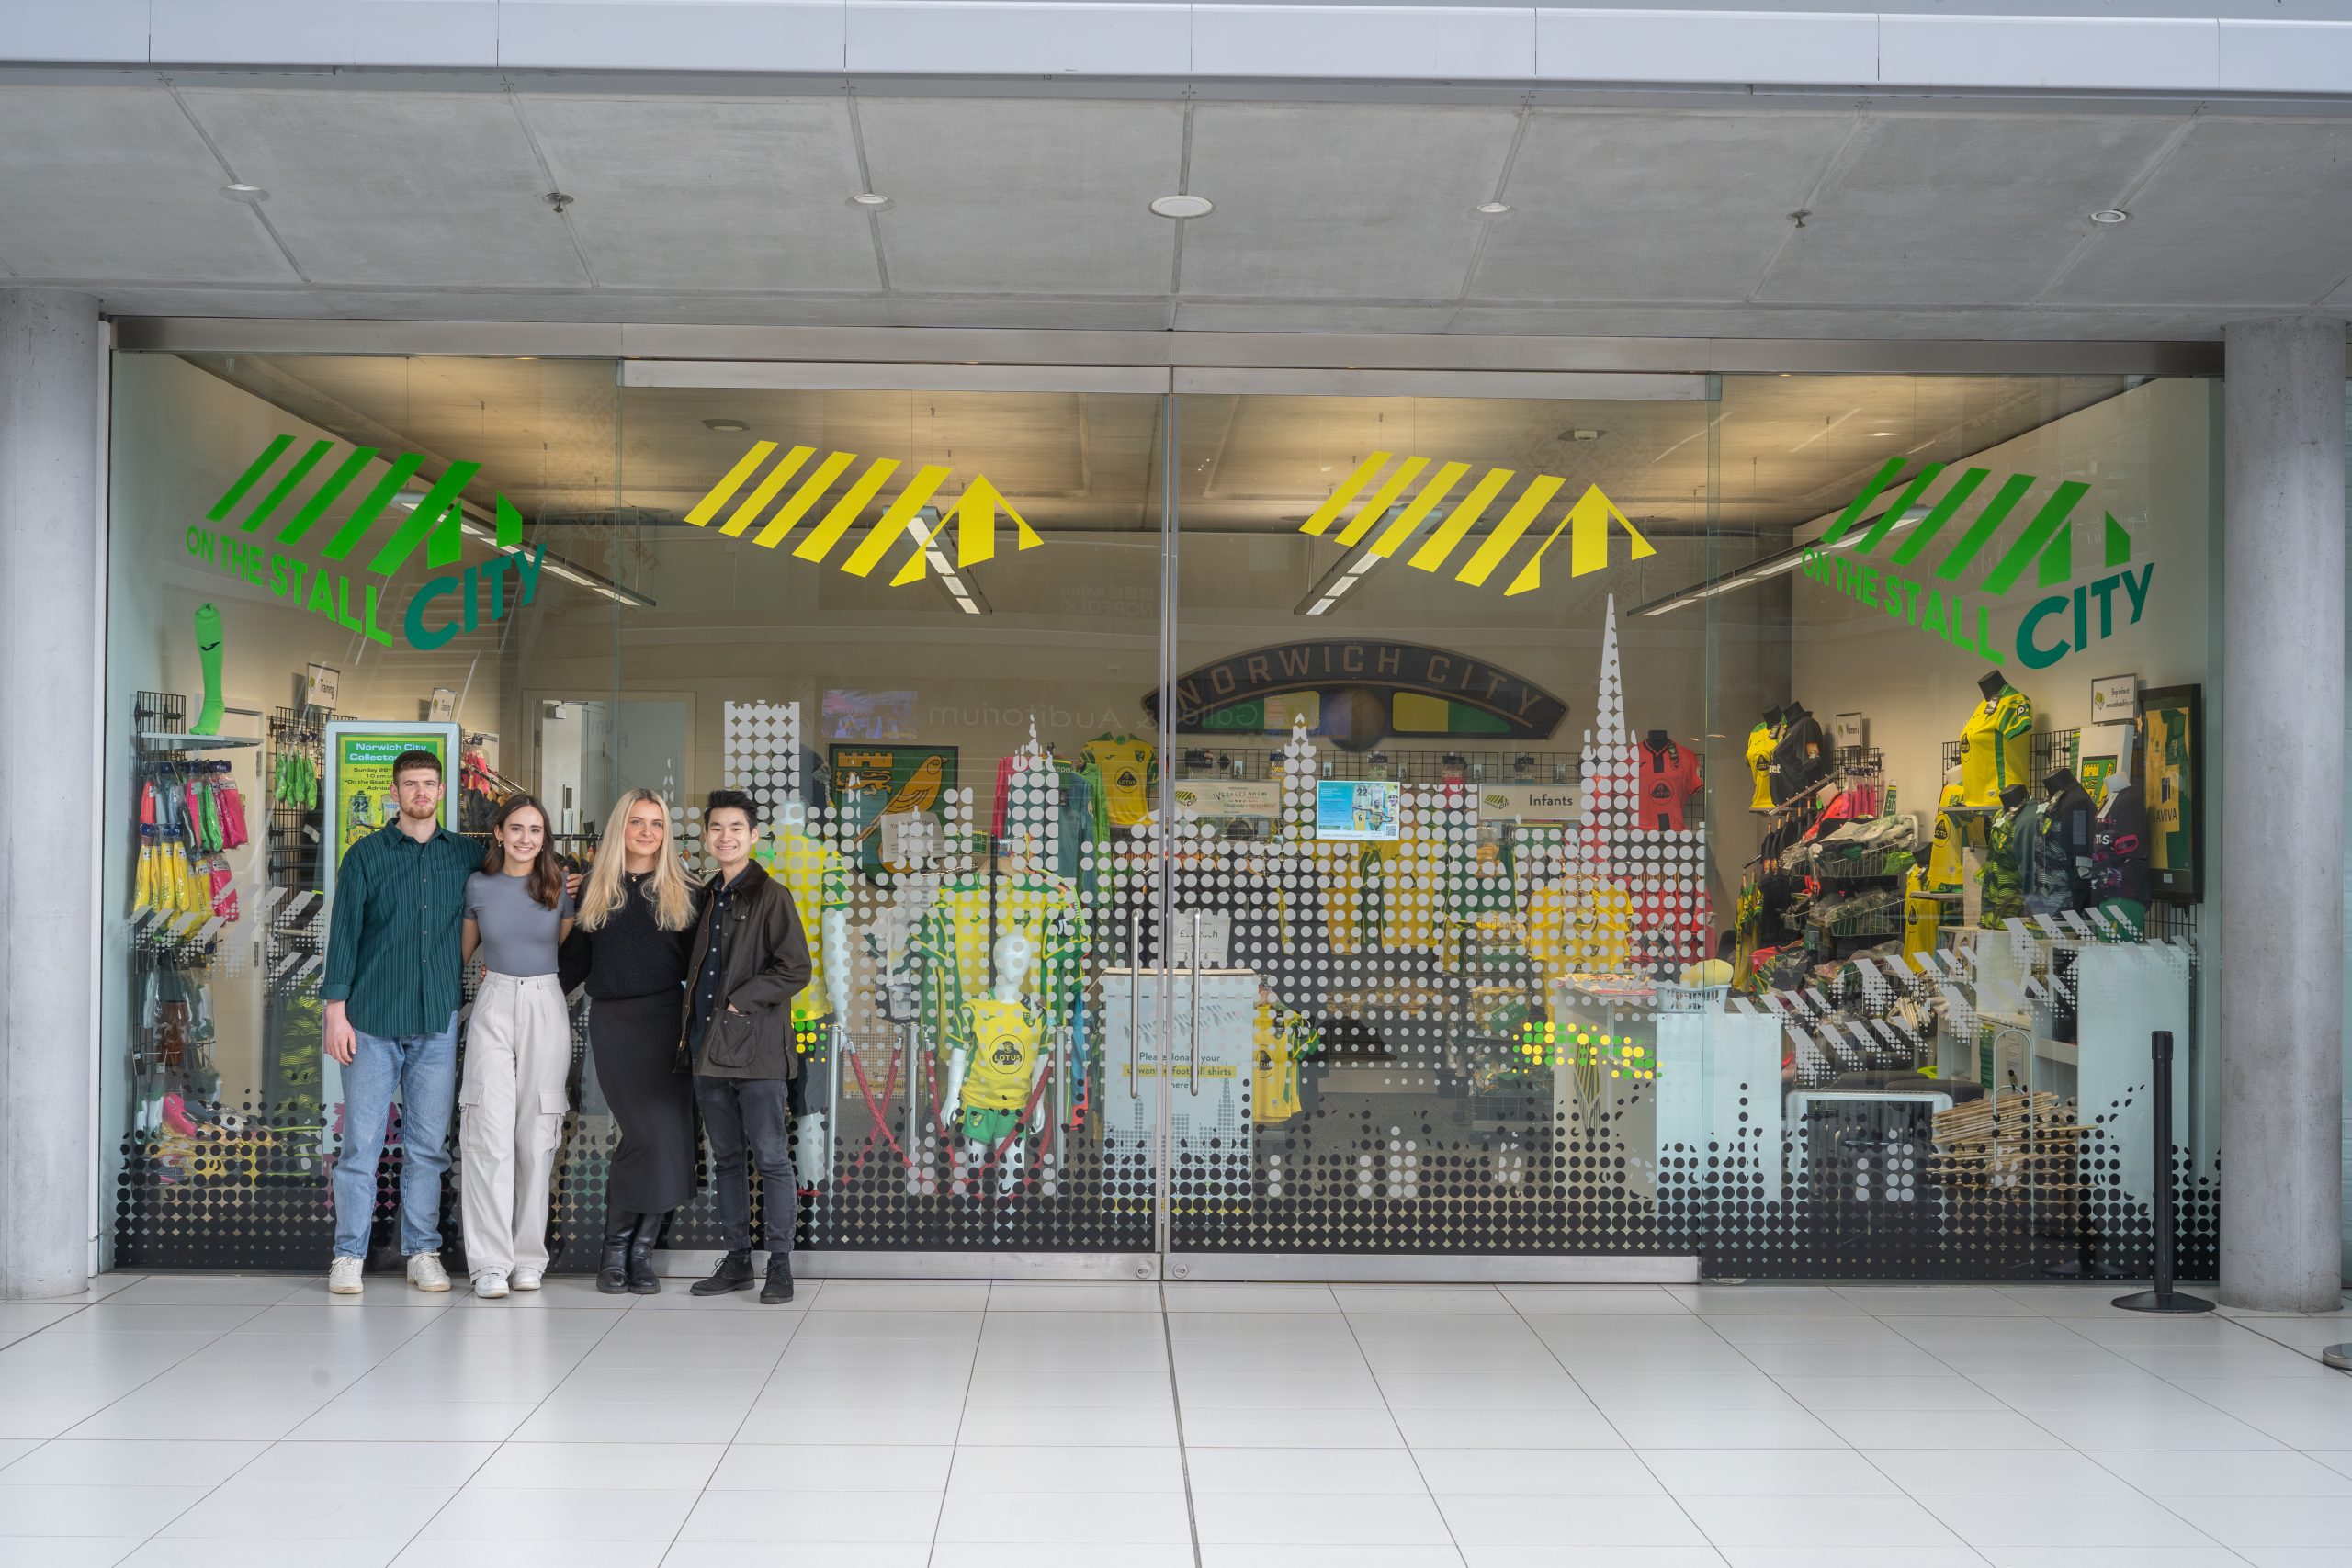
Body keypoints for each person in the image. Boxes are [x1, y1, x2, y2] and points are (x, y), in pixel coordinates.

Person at [320, 749, 474, 1295]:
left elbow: (519, 877)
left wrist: (566, 888)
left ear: (441, 791)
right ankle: (348, 1254)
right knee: (361, 1145)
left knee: (429, 1147)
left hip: (435, 1022)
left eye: (429, 784)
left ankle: (422, 1251)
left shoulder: (467, 855)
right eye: (411, 784)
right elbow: (342, 937)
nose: (421, 793)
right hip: (371, 1023)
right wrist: (334, 1011)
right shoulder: (365, 856)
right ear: (394, 792)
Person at [560, 789, 701, 1294]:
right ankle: (615, 1252)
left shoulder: (685, 889)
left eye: (657, 823)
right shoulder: (592, 889)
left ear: (666, 832)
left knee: (668, 1140)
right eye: (637, 822)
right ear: (621, 827)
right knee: (645, 1136)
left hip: (667, 1024)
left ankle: (636, 1255)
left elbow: (701, 968)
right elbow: (573, 963)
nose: (647, 832)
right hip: (615, 1025)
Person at [682, 789, 811, 1304]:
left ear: (754, 836)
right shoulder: (706, 893)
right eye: (717, 828)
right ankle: (737, 1260)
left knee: (772, 1158)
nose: (726, 837)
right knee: (728, 1158)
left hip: (756, 1049)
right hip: (708, 1049)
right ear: (707, 836)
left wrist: (739, 1003)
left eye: (736, 828)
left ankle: (780, 1266)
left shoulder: (771, 894)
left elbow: (795, 968)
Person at [457, 795, 576, 1299]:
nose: (527, 838)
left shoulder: (557, 888)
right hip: (494, 1000)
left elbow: (562, 946)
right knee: (488, 1133)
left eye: (536, 830)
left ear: (544, 838)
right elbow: (466, 951)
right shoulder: (478, 886)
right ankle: (488, 1262)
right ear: (499, 834)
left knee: (537, 1134)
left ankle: (529, 1259)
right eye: (517, 828)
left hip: (546, 1003)